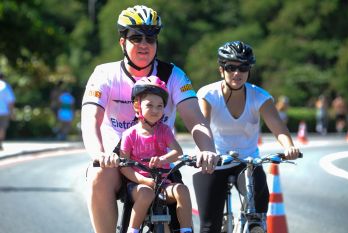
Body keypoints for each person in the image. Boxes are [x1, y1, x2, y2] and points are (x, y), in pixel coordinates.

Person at [81, 5, 217, 233]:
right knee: (97, 175)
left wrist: (208, 149)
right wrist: (99, 154)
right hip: (118, 161)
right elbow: (90, 119)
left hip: (159, 161)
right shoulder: (104, 74)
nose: (144, 44)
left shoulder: (173, 75)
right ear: (123, 43)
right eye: (136, 37)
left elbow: (196, 119)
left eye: (151, 38)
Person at [192, 41, 301, 233]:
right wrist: (206, 152)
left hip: (248, 162)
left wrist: (289, 147)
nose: (237, 73)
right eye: (231, 67)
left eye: (243, 68)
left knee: (257, 220)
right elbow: (203, 126)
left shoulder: (259, 96)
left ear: (249, 70)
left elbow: (278, 128)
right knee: (209, 227)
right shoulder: (208, 94)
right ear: (221, 70)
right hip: (212, 161)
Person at [120, 76, 193, 233]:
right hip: (139, 185)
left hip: (163, 184)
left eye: (160, 106)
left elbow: (177, 152)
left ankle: (186, 230)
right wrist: (144, 180)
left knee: (182, 189)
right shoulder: (129, 134)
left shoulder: (164, 130)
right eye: (150, 105)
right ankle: (133, 230)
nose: (155, 110)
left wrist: (163, 159)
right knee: (146, 194)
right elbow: (124, 166)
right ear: (137, 106)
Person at [0, 72, 16, 150]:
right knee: (2, 128)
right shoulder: (6, 86)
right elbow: (10, 101)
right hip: (4, 111)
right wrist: (12, 112)